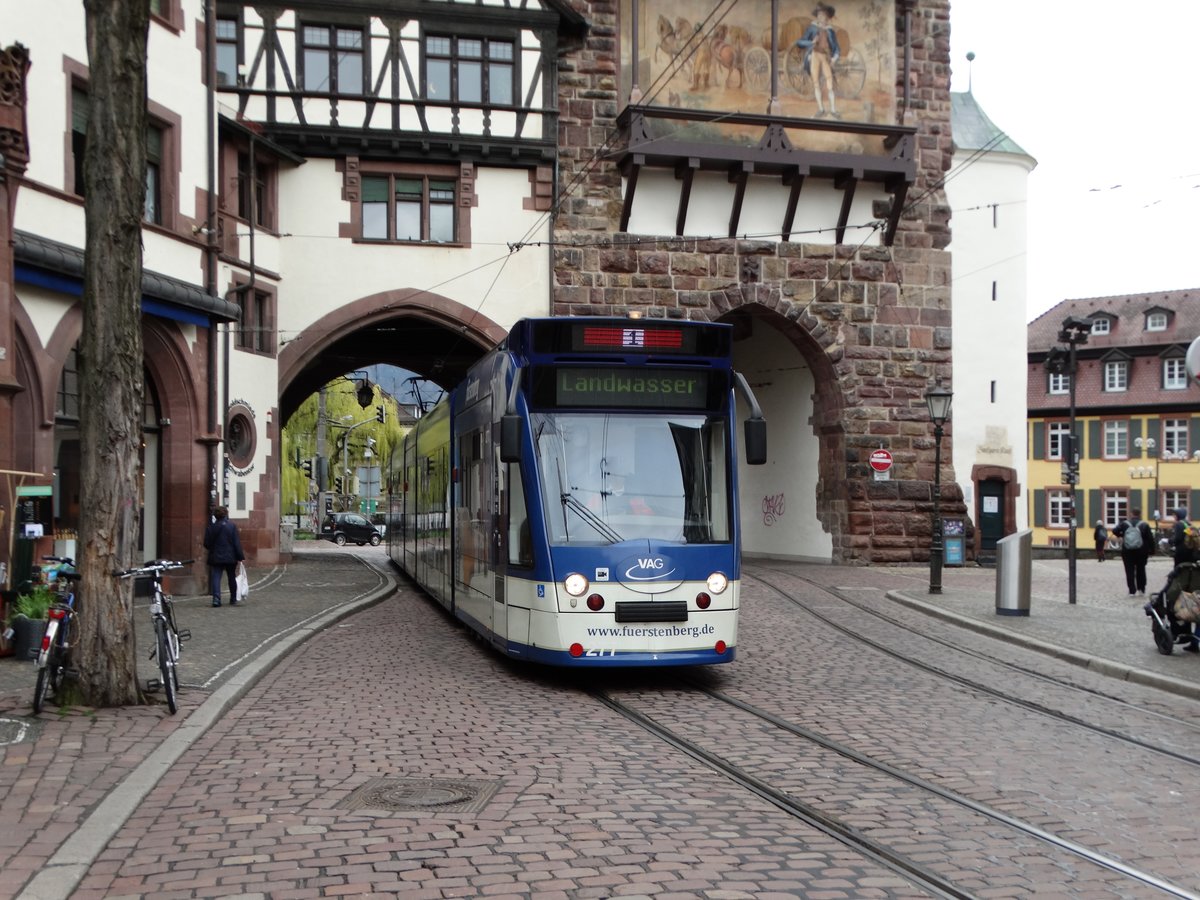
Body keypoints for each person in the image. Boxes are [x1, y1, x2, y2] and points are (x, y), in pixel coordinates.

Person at [794, 5, 841, 118]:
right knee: (816, 83)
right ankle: (821, 109)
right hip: (814, 55)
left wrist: (835, 58)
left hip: (825, 57)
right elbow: (799, 42)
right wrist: (811, 43)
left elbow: (836, 48)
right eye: (820, 15)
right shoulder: (812, 28)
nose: (822, 18)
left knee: (829, 82)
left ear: (828, 18)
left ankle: (833, 110)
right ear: (818, 17)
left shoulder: (830, 31)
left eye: (824, 16)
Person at [203, 505, 245, 607]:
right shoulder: (231, 526)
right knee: (231, 577)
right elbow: (236, 543)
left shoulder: (211, 527)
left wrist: (213, 548)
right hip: (230, 556)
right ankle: (233, 598)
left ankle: (216, 599)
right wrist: (240, 557)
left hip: (216, 556)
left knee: (216, 577)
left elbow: (206, 543)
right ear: (226, 514)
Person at [1112, 508, 1153, 596]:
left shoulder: (1124, 524)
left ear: (1131, 514)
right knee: (1141, 569)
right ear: (1140, 514)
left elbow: (1114, 530)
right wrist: (1152, 550)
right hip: (1141, 551)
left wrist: (1122, 535)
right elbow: (1150, 539)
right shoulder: (1144, 525)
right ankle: (1141, 589)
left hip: (1127, 550)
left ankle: (1132, 590)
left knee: (1129, 570)